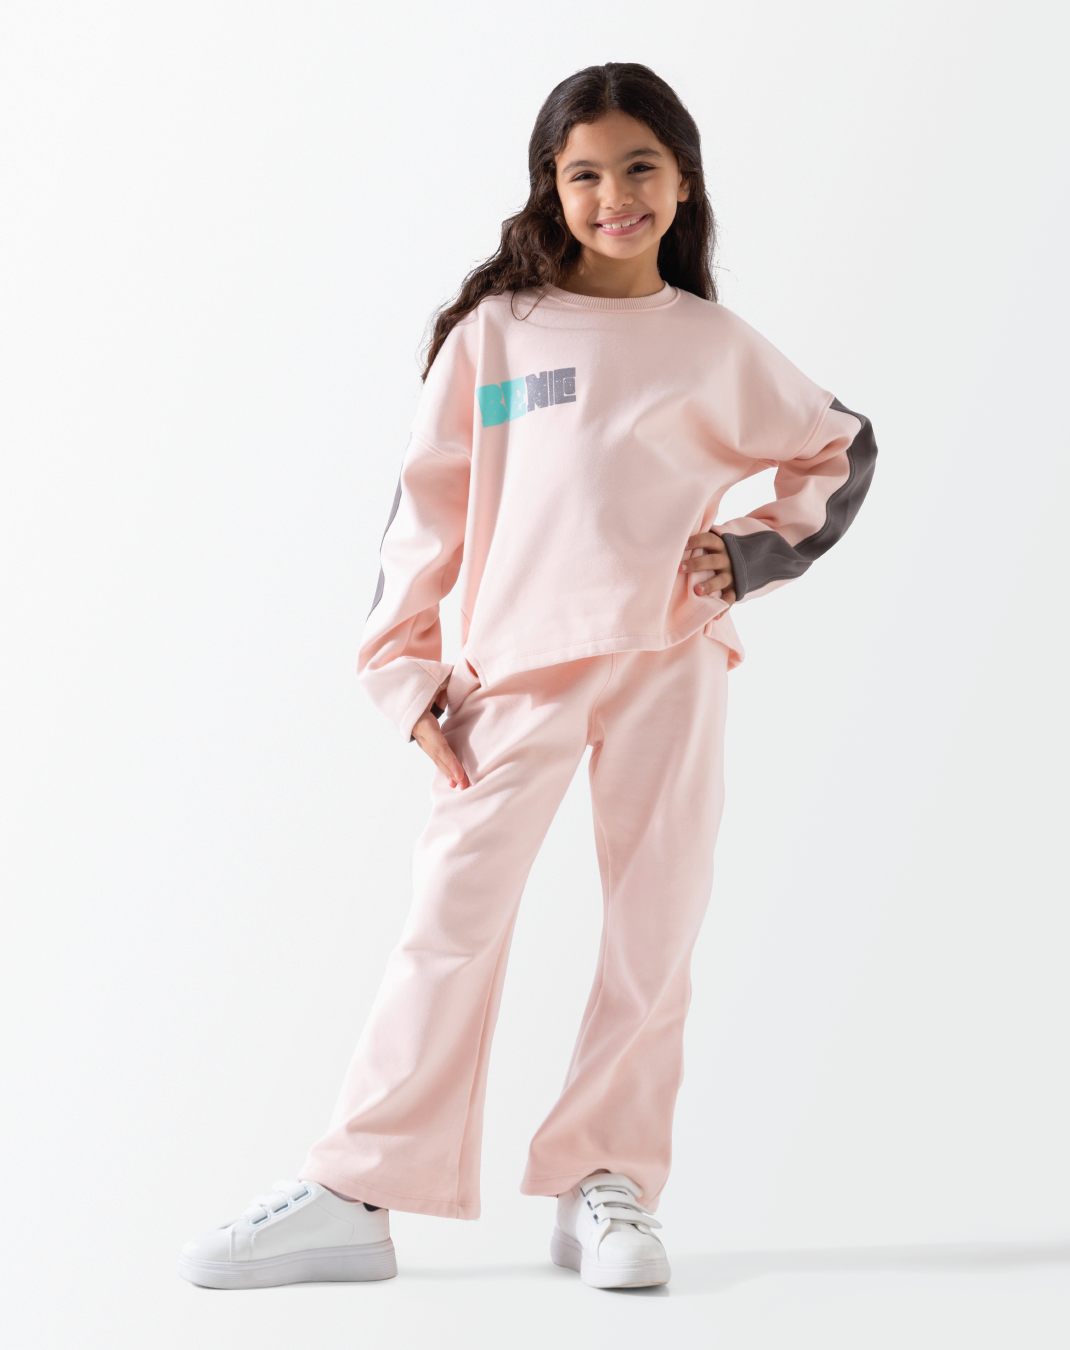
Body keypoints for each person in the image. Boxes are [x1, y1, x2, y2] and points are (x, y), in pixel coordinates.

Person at [179, 60, 876, 1293]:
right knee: (450, 923)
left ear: (684, 180)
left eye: (640, 168)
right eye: (585, 173)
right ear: (551, 187)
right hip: (514, 669)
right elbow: (426, 507)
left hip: (671, 662)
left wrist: (751, 552)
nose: (616, 195)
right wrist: (404, 672)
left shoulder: (713, 344)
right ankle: (358, 1187)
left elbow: (843, 447)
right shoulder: (498, 334)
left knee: (654, 928)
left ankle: (605, 1181)